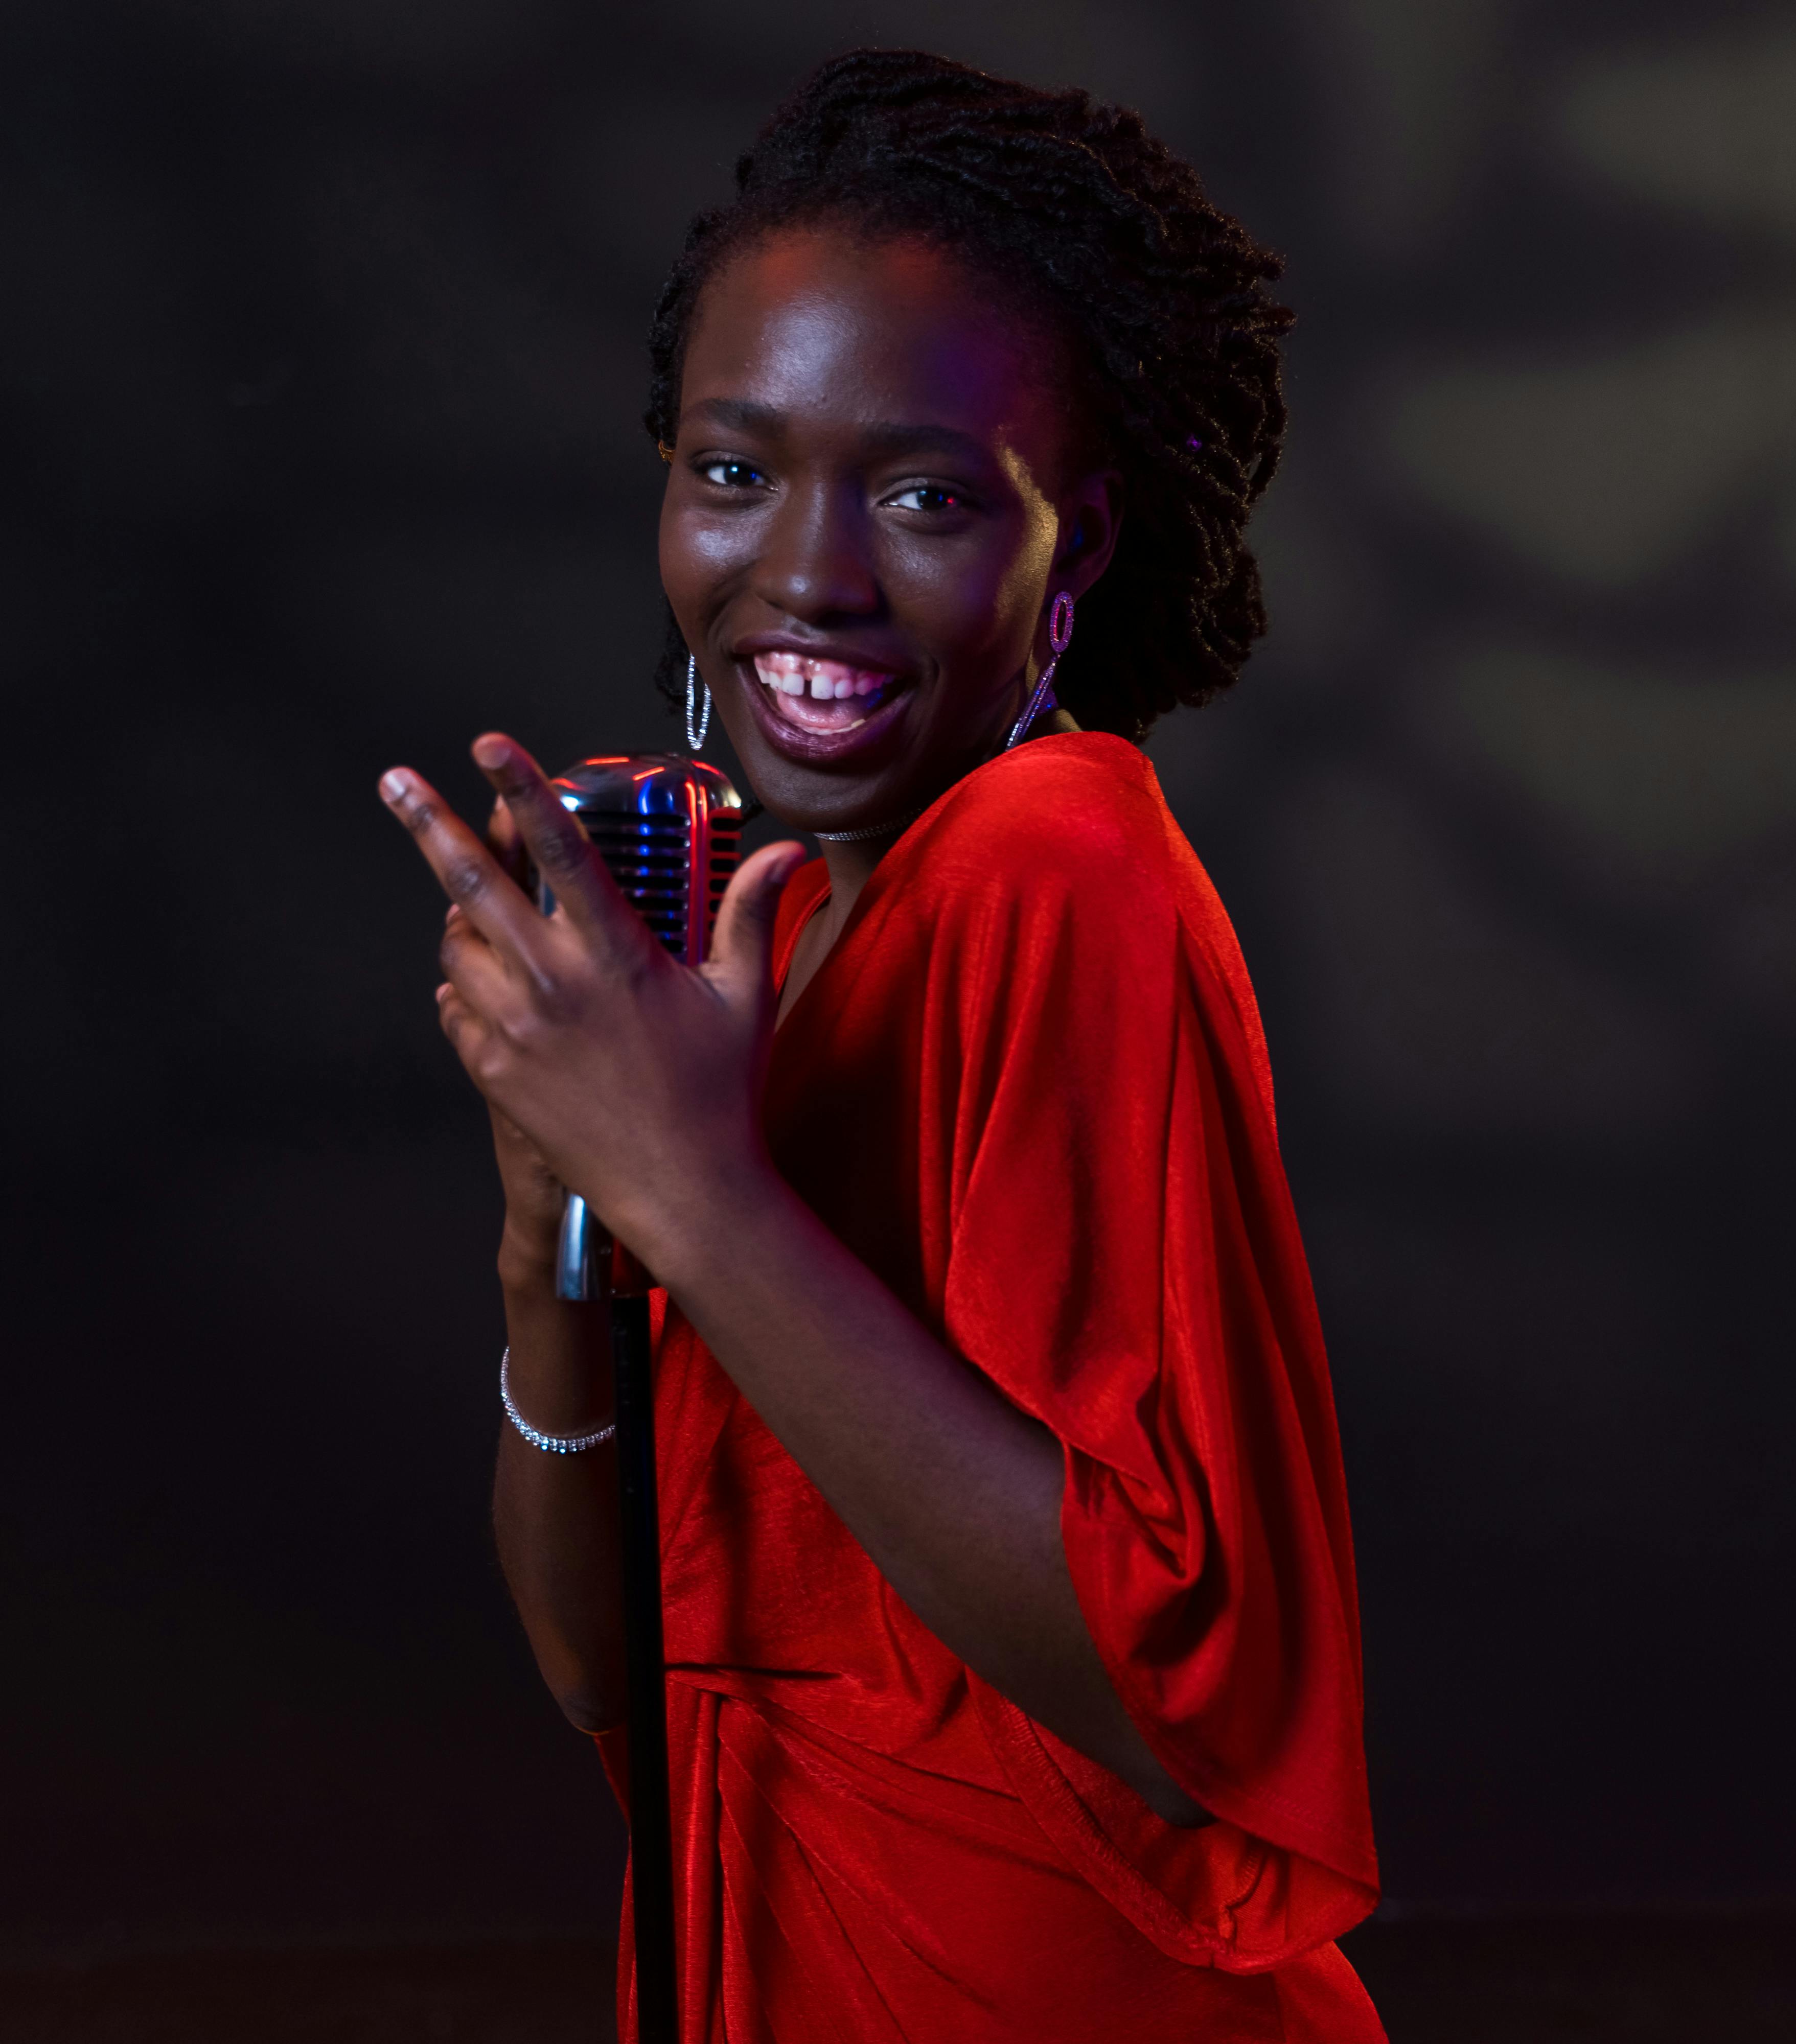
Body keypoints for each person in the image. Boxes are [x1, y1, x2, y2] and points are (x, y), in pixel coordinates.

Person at [378, 49, 1377, 2040]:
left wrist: (694, 1192)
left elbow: (1194, 1682)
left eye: (923, 494)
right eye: (734, 469)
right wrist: (552, 1224)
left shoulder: (1055, 857)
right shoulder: (796, 913)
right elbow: (612, 1669)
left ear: (1070, 552)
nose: (808, 575)